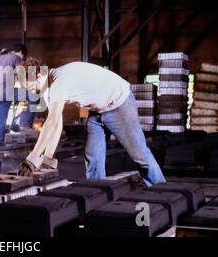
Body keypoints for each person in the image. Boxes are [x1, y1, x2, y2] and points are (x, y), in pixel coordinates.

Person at [17, 58, 166, 187]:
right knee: (93, 155)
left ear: (37, 76)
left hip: (120, 104)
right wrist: (48, 157)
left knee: (139, 154)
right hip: (98, 111)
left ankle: (160, 191)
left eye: (31, 88)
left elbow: (52, 122)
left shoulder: (59, 82)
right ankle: (99, 193)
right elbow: (57, 123)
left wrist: (33, 158)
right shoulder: (51, 85)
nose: (33, 92)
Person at [0, 44, 37, 140]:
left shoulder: (1, 57)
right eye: (23, 57)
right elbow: (21, 77)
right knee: (34, 96)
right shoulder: (16, 57)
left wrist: (3, 51)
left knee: (1, 121)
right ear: (21, 52)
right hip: (7, 91)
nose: (23, 59)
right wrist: (30, 87)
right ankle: (25, 125)